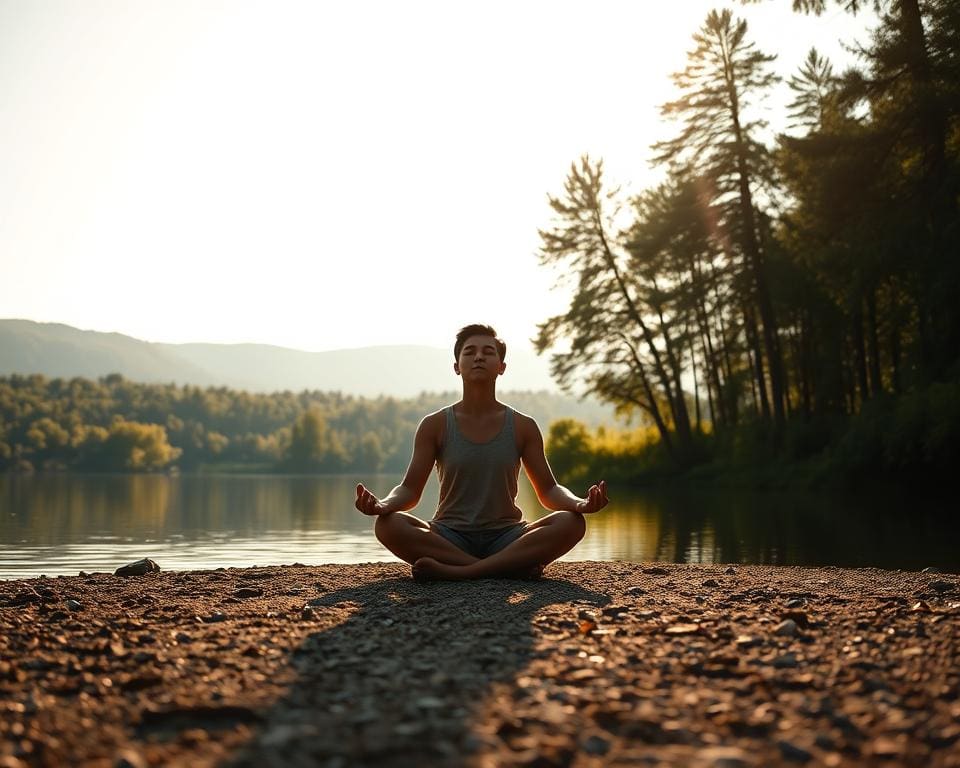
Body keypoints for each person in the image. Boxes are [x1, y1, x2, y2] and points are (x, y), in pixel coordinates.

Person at [355, 323, 609, 581]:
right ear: (457, 366)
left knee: (572, 522)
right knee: (388, 524)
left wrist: (579, 503)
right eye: (469, 352)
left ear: (501, 367)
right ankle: (506, 567)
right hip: (448, 537)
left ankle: (461, 571)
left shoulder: (523, 426)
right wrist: (383, 504)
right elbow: (409, 490)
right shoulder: (434, 425)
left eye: (488, 352)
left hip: (507, 536)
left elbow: (549, 490)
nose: (478, 357)